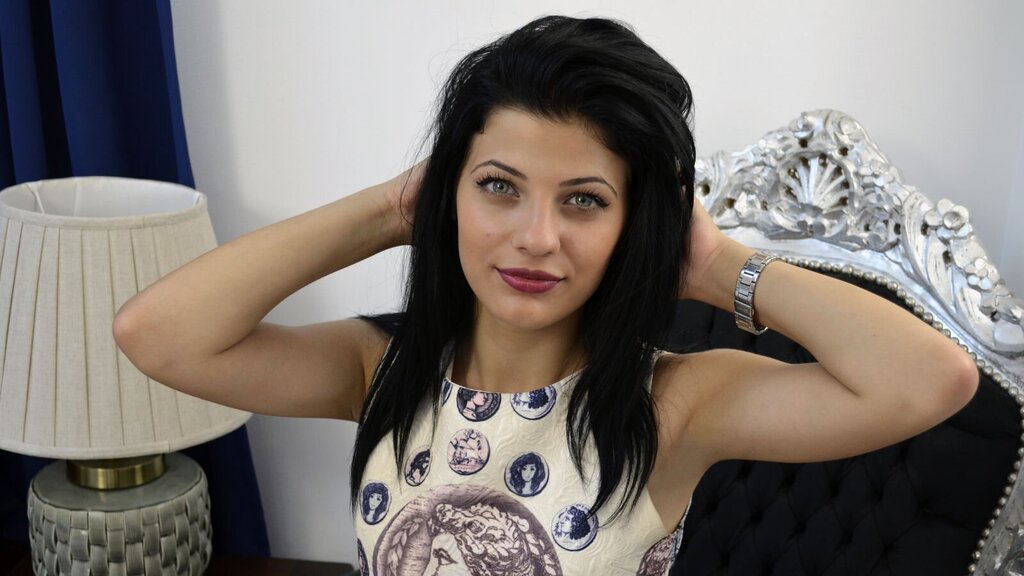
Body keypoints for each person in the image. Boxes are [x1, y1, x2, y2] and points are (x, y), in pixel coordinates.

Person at [112, 15, 978, 575]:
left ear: (634, 222)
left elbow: (931, 380)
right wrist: (389, 211)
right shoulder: (380, 369)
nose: (536, 236)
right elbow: (158, 334)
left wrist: (716, 265)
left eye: (584, 201)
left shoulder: (674, 403)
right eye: (499, 186)